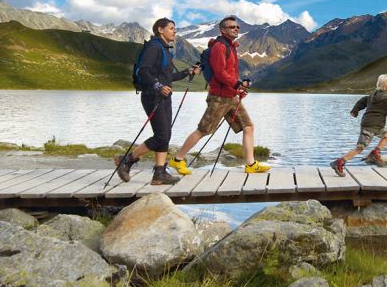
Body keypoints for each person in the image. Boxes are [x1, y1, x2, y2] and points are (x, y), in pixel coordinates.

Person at [169, 15, 271, 174]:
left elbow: (228, 73)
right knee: (203, 130)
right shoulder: (220, 47)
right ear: (223, 30)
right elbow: (220, 72)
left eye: (237, 27)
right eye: (232, 27)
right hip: (219, 97)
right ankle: (177, 160)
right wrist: (238, 84)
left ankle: (250, 164)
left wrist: (237, 89)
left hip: (231, 96)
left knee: (248, 126)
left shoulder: (231, 47)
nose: (236, 29)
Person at [114, 18, 200, 185]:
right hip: (152, 96)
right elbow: (142, 71)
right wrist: (158, 86)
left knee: (165, 136)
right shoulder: (154, 47)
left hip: (163, 96)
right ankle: (127, 160)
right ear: (160, 30)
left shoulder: (165, 49)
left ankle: (159, 174)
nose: (175, 31)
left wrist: (186, 72)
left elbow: (168, 77)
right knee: (161, 136)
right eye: (171, 28)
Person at [329, 73, 387, 177]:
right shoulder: (386, 100)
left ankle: (375, 153)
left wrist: (355, 110)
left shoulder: (375, 95)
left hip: (376, 126)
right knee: (359, 148)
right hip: (370, 127)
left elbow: (363, 100)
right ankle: (339, 162)